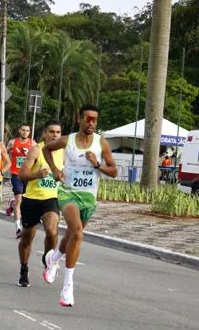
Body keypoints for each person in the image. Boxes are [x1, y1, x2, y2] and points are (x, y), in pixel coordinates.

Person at [42, 104, 117, 306]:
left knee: (71, 236)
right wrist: (55, 170)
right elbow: (46, 148)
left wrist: (97, 164)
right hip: (68, 193)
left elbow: (114, 171)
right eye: (88, 118)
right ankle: (68, 287)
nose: (91, 122)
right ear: (79, 119)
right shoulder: (68, 140)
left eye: (94, 119)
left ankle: (53, 259)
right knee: (77, 234)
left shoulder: (101, 143)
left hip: (89, 197)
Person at [17, 120, 64, 287]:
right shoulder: (36, 150)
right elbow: (22, 175)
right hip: (31, 199)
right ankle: (24, 268)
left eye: (58, 132)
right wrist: (37, 174)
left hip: (51, 199)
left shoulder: (63, 152)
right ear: (45, 133)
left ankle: (48, 260)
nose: (55, 135)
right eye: (51, 132)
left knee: (52, 231)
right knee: (27, 238)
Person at [6, 124, 35, 239]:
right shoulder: (13, 143)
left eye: (27, 131)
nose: (25, 132)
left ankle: (12, 204)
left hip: (28, 175)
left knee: (25, 201)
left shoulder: (33, 144)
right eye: (23, 130)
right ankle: (18, 228)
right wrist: (8, 162)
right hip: (16, 174)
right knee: (19, 201)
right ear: (19, 130)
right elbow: (4, 153)